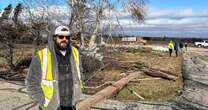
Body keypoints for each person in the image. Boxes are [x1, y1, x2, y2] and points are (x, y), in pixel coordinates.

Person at [25, 25, 84, 110]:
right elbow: (31, 83)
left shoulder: (75, 52)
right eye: (61, 36)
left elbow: (80, 73)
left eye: (67, 37)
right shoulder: (41, 56)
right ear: (54, 38)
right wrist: (43, 102)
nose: (64, 39)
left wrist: (78, 92)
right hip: (51, 106)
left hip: (71, 105)